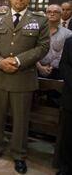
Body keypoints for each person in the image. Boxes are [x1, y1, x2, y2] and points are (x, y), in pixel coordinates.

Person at [0, 0, 50, 174]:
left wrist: (18, 60)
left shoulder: (40, 20)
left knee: (20, 118)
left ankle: (19, 154)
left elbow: (43, 47)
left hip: (23, 76)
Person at [37, 4, 72, 80]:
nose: (52, 14)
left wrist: (51, 66)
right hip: (36, 68)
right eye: (49, 12)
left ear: (61, 14)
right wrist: (40, 67)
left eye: (55, 12)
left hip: (58, 70)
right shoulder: (37, 31)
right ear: (45, 14)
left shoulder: (68, 33)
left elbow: (65, 54)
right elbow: (31, 50)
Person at [57, 36, 72, 175]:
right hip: (71, 96)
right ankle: (65, 166)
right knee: (68, 135)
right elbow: (64, 64)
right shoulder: (70, 41)